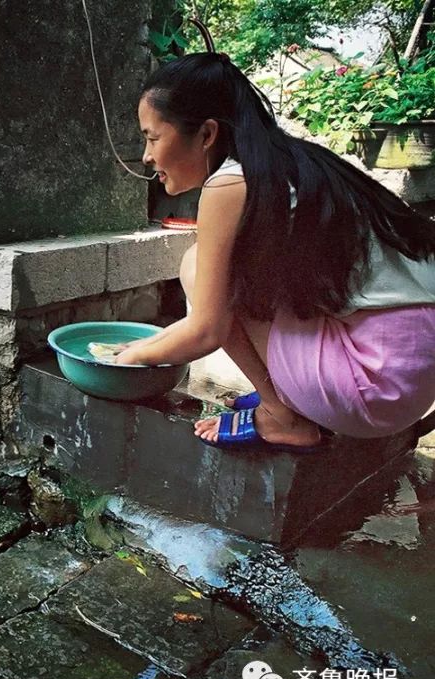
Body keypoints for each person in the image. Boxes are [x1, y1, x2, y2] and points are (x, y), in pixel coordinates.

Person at [116, 53, 435, 452]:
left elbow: (207, 330)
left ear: (206, 134)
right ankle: (292, 396)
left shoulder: (229, 185)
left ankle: (281, 416)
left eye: (152, 137)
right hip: (413, 379)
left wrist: (126, 359)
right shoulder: (295, 163)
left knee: (196, 265)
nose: (147, 156)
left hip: (371, 386)